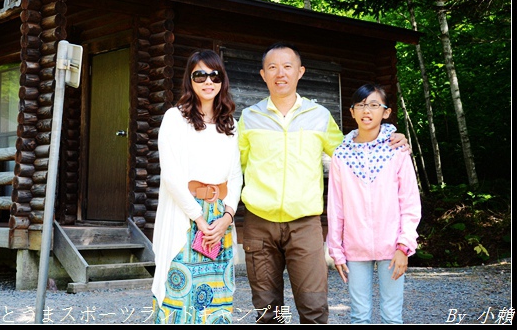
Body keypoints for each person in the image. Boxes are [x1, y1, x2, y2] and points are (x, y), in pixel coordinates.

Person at [238, 42, 408, 324]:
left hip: (305, 223)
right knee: (268, 311)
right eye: (272, 67)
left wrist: (392, 139)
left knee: (313, 307)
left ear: (300, 72)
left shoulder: (318, 116)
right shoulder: (250, 117)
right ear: (263, 74)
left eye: (287, 66)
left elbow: (351, 151)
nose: (280, 73)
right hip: (259, 221)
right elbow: (235, 166)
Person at [151, 49, 243, 324]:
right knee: (178, 294)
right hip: (186, 215)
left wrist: (226, 217)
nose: (207, 81)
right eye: (199, 74)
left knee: (218, 297)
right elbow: (171, 176)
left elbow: (236, 175)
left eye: (214, 75)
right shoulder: (175, 119)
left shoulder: (230, 124)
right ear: (189, 80)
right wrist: (200, 219)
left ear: (222, 80)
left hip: (220, 218)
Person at [326, 83, 421, 324]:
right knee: (359, 316)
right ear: (352, 112)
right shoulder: (341, 155)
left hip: (393, 246)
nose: (366, 110)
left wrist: (404, 246)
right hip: (355, 247)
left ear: (386, 112)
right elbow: (336, 206)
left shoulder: (396, 150)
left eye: (374, 105)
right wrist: (336, 250)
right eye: (361, 105)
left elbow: (409, 202)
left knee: (391, 315)